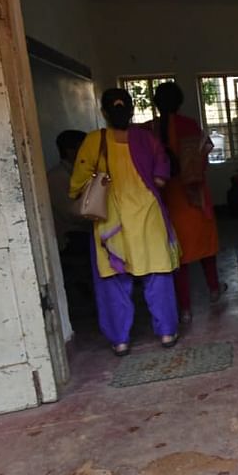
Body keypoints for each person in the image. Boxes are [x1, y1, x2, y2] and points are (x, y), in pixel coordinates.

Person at [70, 89, 180, 356]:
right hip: (147, 216)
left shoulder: (95, 140)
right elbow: (162, 174)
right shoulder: (146, 138)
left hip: (111, 219)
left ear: (104, 112)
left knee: (114, 281)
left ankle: (120, 340)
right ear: (132, 109)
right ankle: (166, 332)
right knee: (157, 274)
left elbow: (78, 183)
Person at [149, 81, 225, 325]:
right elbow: (203, 157)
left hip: (166, 201)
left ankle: (185, 309)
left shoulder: (148, 130)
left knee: (177, 257)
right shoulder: (190, 126)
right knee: (206, 249)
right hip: (194, 199)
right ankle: (214, 290)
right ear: (180, 101)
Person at [47, 129, 92, 311]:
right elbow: (71, 214)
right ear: (71, 151)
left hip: (80, 229)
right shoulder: (57, 177)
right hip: (69, 236)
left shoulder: (77, 173)